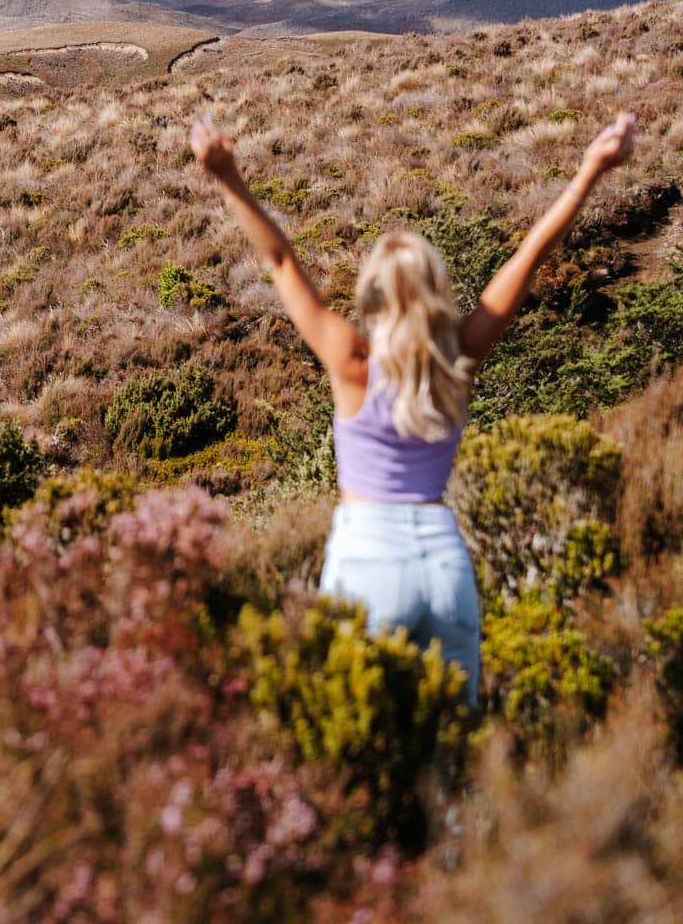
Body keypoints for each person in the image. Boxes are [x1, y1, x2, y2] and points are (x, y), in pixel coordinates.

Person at [190, 107, 638, 702]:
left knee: (361, 745)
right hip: (444, 565)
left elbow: (279, 261)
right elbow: (531, 254)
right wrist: (591, 169)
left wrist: (228, 177)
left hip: (367, 561)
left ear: (370, 296)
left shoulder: (351, 362)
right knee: (454, 755)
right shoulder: (460, 359)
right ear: (437, 292)